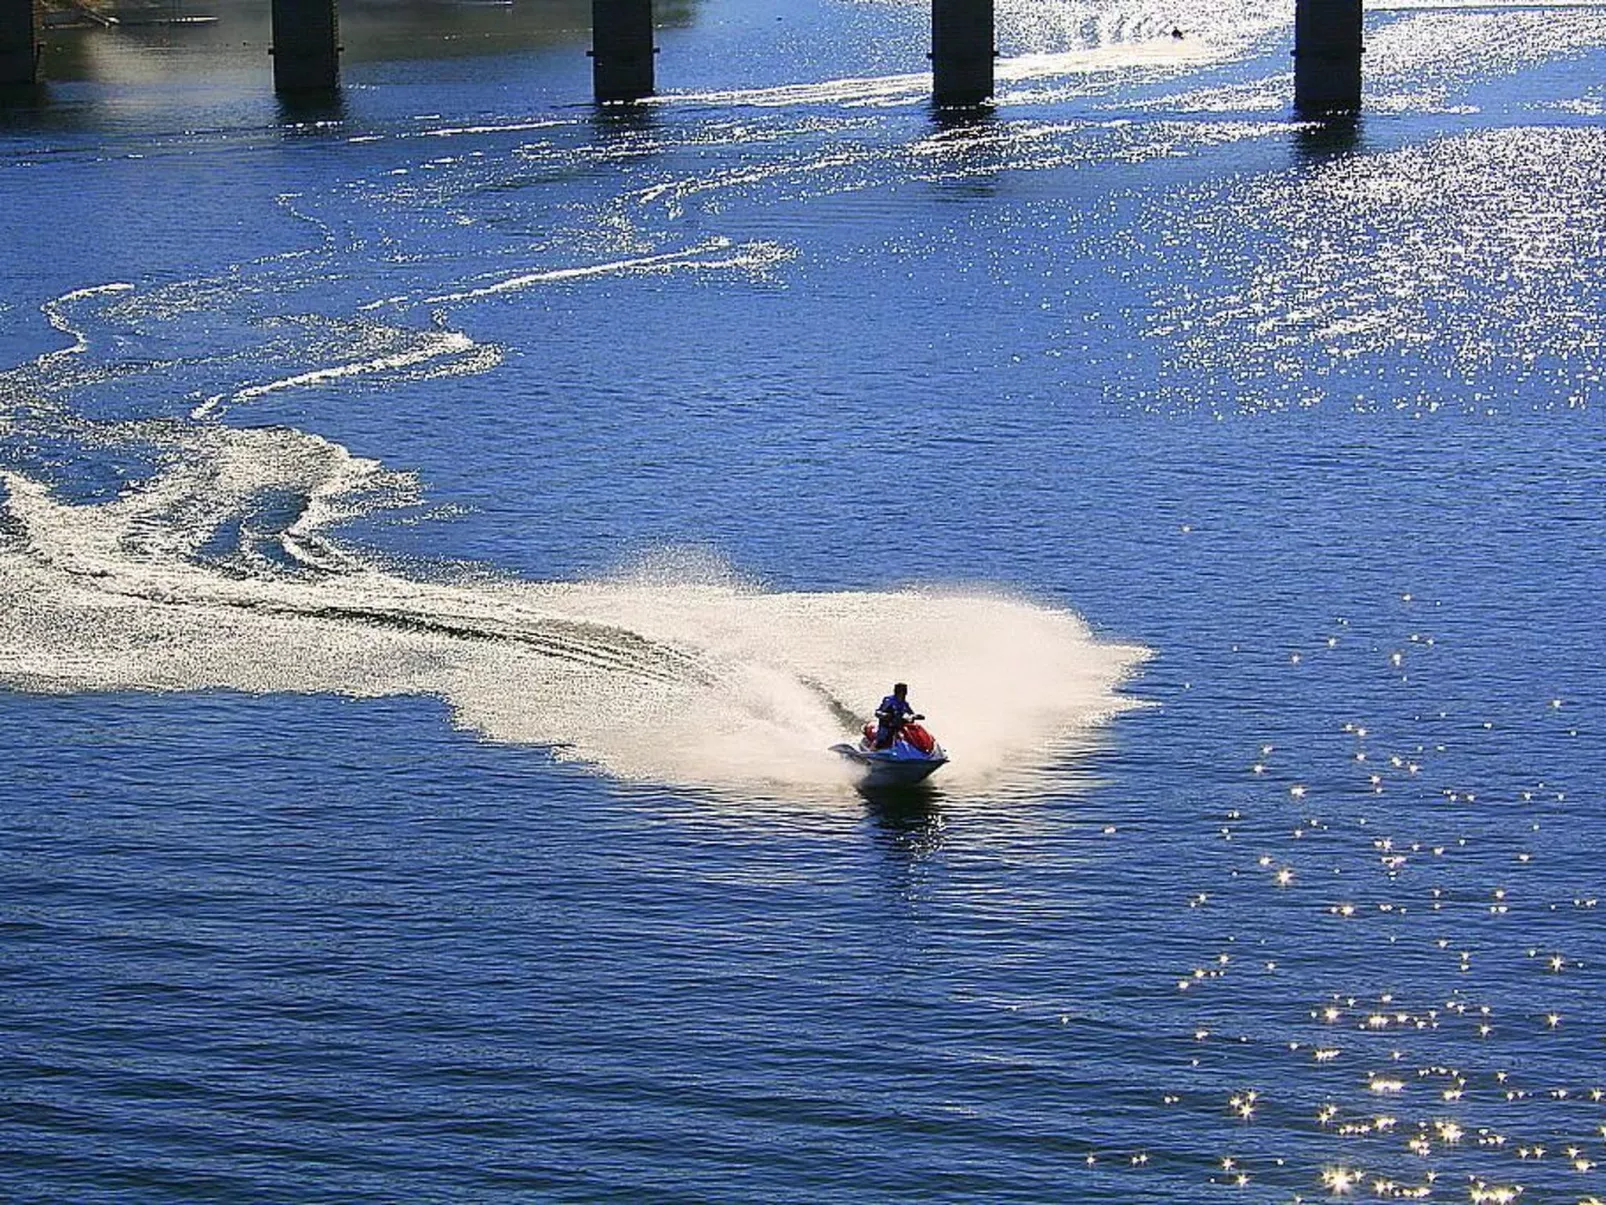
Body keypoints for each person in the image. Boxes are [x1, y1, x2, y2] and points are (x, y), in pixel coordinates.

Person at [873, 682, 921, 749]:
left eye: (905, 691)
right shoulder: (889, 700)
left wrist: (916, 716)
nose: (904, 693)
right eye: (902, 691)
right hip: (887, 726)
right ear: (897, 691)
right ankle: (875, 748)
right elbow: (878, 712)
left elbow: (911, 713)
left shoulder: (904, 703)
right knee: (882, 739)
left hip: (899, 726)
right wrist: (884, 715)